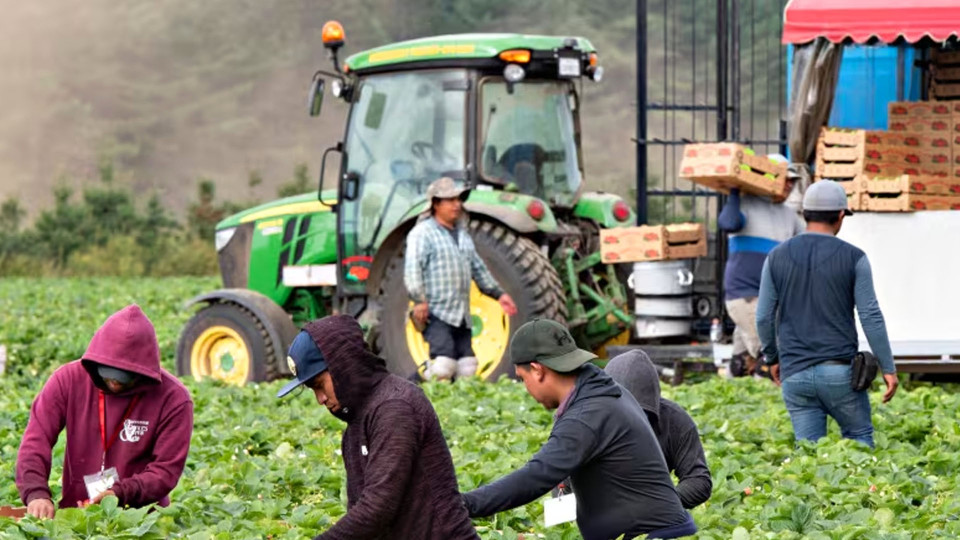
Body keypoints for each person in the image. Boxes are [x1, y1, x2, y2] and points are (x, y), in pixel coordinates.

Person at [461, 319, 696, 540]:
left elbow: (536, 476)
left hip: (655, 535)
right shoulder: (603, 392)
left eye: (523, 379)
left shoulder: (588, 414)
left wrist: (460, 504)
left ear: (537, 370)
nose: (526, 389)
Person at [277, 315, 478, 540]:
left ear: (342, 365)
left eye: (319, 385)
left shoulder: (395, 408)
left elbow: (377, 509)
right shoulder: (357, 421)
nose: (320, 399)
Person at [756, 180, 899, 448]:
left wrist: (772, 357)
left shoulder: (776, 257)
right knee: (858, 440)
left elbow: (763, 316)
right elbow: (870, 315)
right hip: (840, 375)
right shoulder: (854, 257)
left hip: (795, 374)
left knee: (809, 455)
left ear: (804, 213)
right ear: (841, 215)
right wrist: (888, 367)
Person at [16, 305, 194, 518]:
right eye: (108, 374)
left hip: (142, 522)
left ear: (144, 371)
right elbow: (37, 440)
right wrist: (36, 493)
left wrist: (119, 493)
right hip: (78, 517)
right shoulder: (68, 380)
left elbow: (164, 471)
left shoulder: (174, 399)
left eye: (123, 377)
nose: (114, 382)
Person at [404, 176, 517, 381]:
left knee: (468, 368)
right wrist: (419, 300)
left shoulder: (462, 236)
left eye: (458, 200)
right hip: (436, 311)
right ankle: (412, 386)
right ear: (436, 204)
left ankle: (456, 407)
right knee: (443, 366)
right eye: (450, 200)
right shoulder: (422, 233)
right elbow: (413, 269)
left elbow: (478, 268)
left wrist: (499, 294)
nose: (457, 204)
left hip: (461, 314)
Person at [718, 154, 805, 377]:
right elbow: (728, 223)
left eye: (792, 181)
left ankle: (733, 388)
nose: (789, 185)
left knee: (741, 363)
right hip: (746, 295)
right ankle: (769, 398)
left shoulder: (789, 215)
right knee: (770, 356)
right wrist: (735, 191)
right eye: (784, 179)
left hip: (771, 298)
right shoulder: (745, 206)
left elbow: (808, 243)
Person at [605, 350, 712, 509]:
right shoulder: (583, 422)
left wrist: (658, 504)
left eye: (640, 413)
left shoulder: (674, 421)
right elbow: (565, 487)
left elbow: (698, 480)